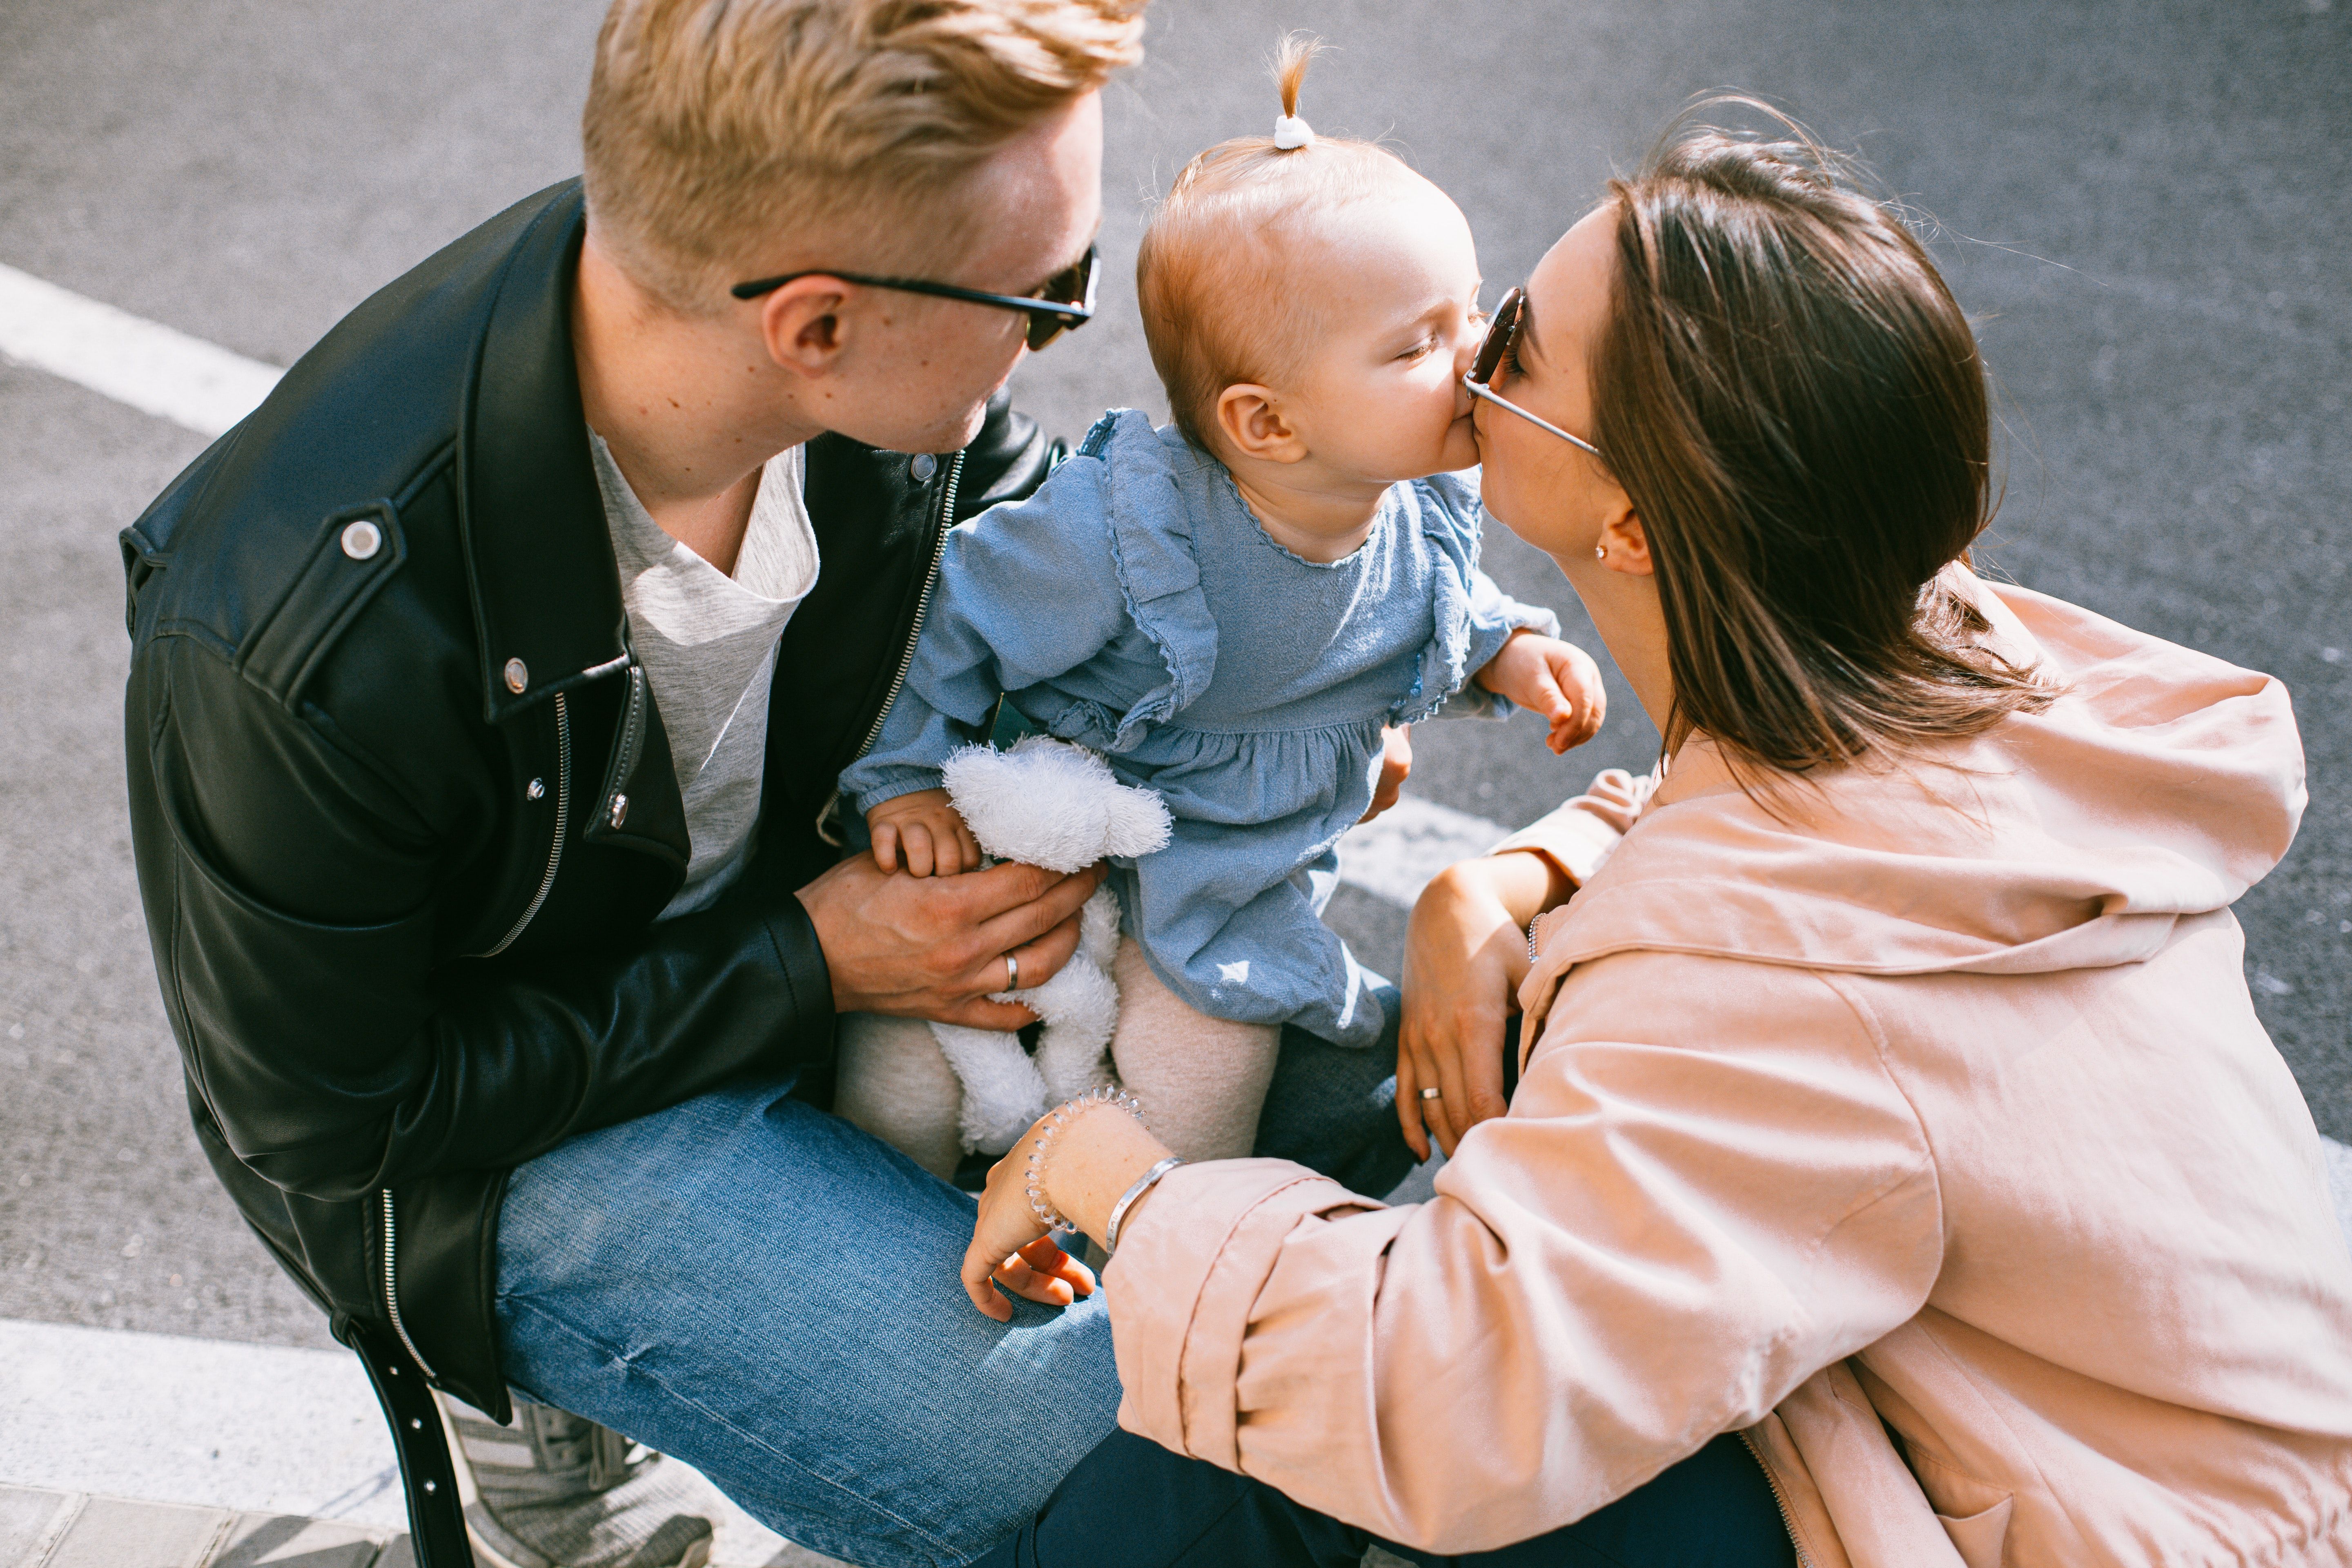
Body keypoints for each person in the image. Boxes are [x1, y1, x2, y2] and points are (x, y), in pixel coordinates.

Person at [957, 107, 2352, 1566]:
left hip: (2080, 1526)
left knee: (1285, 1442)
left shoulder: (1794, 987)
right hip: (2099, 1457)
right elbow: (1761, 861)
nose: (1466, 367)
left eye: (1509, 346)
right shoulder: (1943, 652)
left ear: (1626, 522)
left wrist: (1098, 1158)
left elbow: (1442, 1392)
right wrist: (1497, 882)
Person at [116, 3, 1414, 1565]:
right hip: (509, 1136)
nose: (1065, 331)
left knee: (1408, 1121)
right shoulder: (302, 638)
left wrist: (1278, 702)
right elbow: (334, 1119)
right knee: (1117, 1450)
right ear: (814, 328)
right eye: (1048, 295)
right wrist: (811, 960)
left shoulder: (837, 364)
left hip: (855, 930)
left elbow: (1030, 539)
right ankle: (541, 1419)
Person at [833, 37, 1603, 1170]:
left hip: (1231, 883)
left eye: (1474, 310)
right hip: (1059, 835)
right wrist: (904, 780)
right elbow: (961, 615)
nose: (1478, 352)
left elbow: (1444, 600)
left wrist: (1510, 655)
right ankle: (881, 1220)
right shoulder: (1125, 530)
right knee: (914, 1074)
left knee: (1203, 1092)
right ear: (1269, 425)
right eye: (1420, 343)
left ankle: (1131, 1269)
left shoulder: (1421, 498)